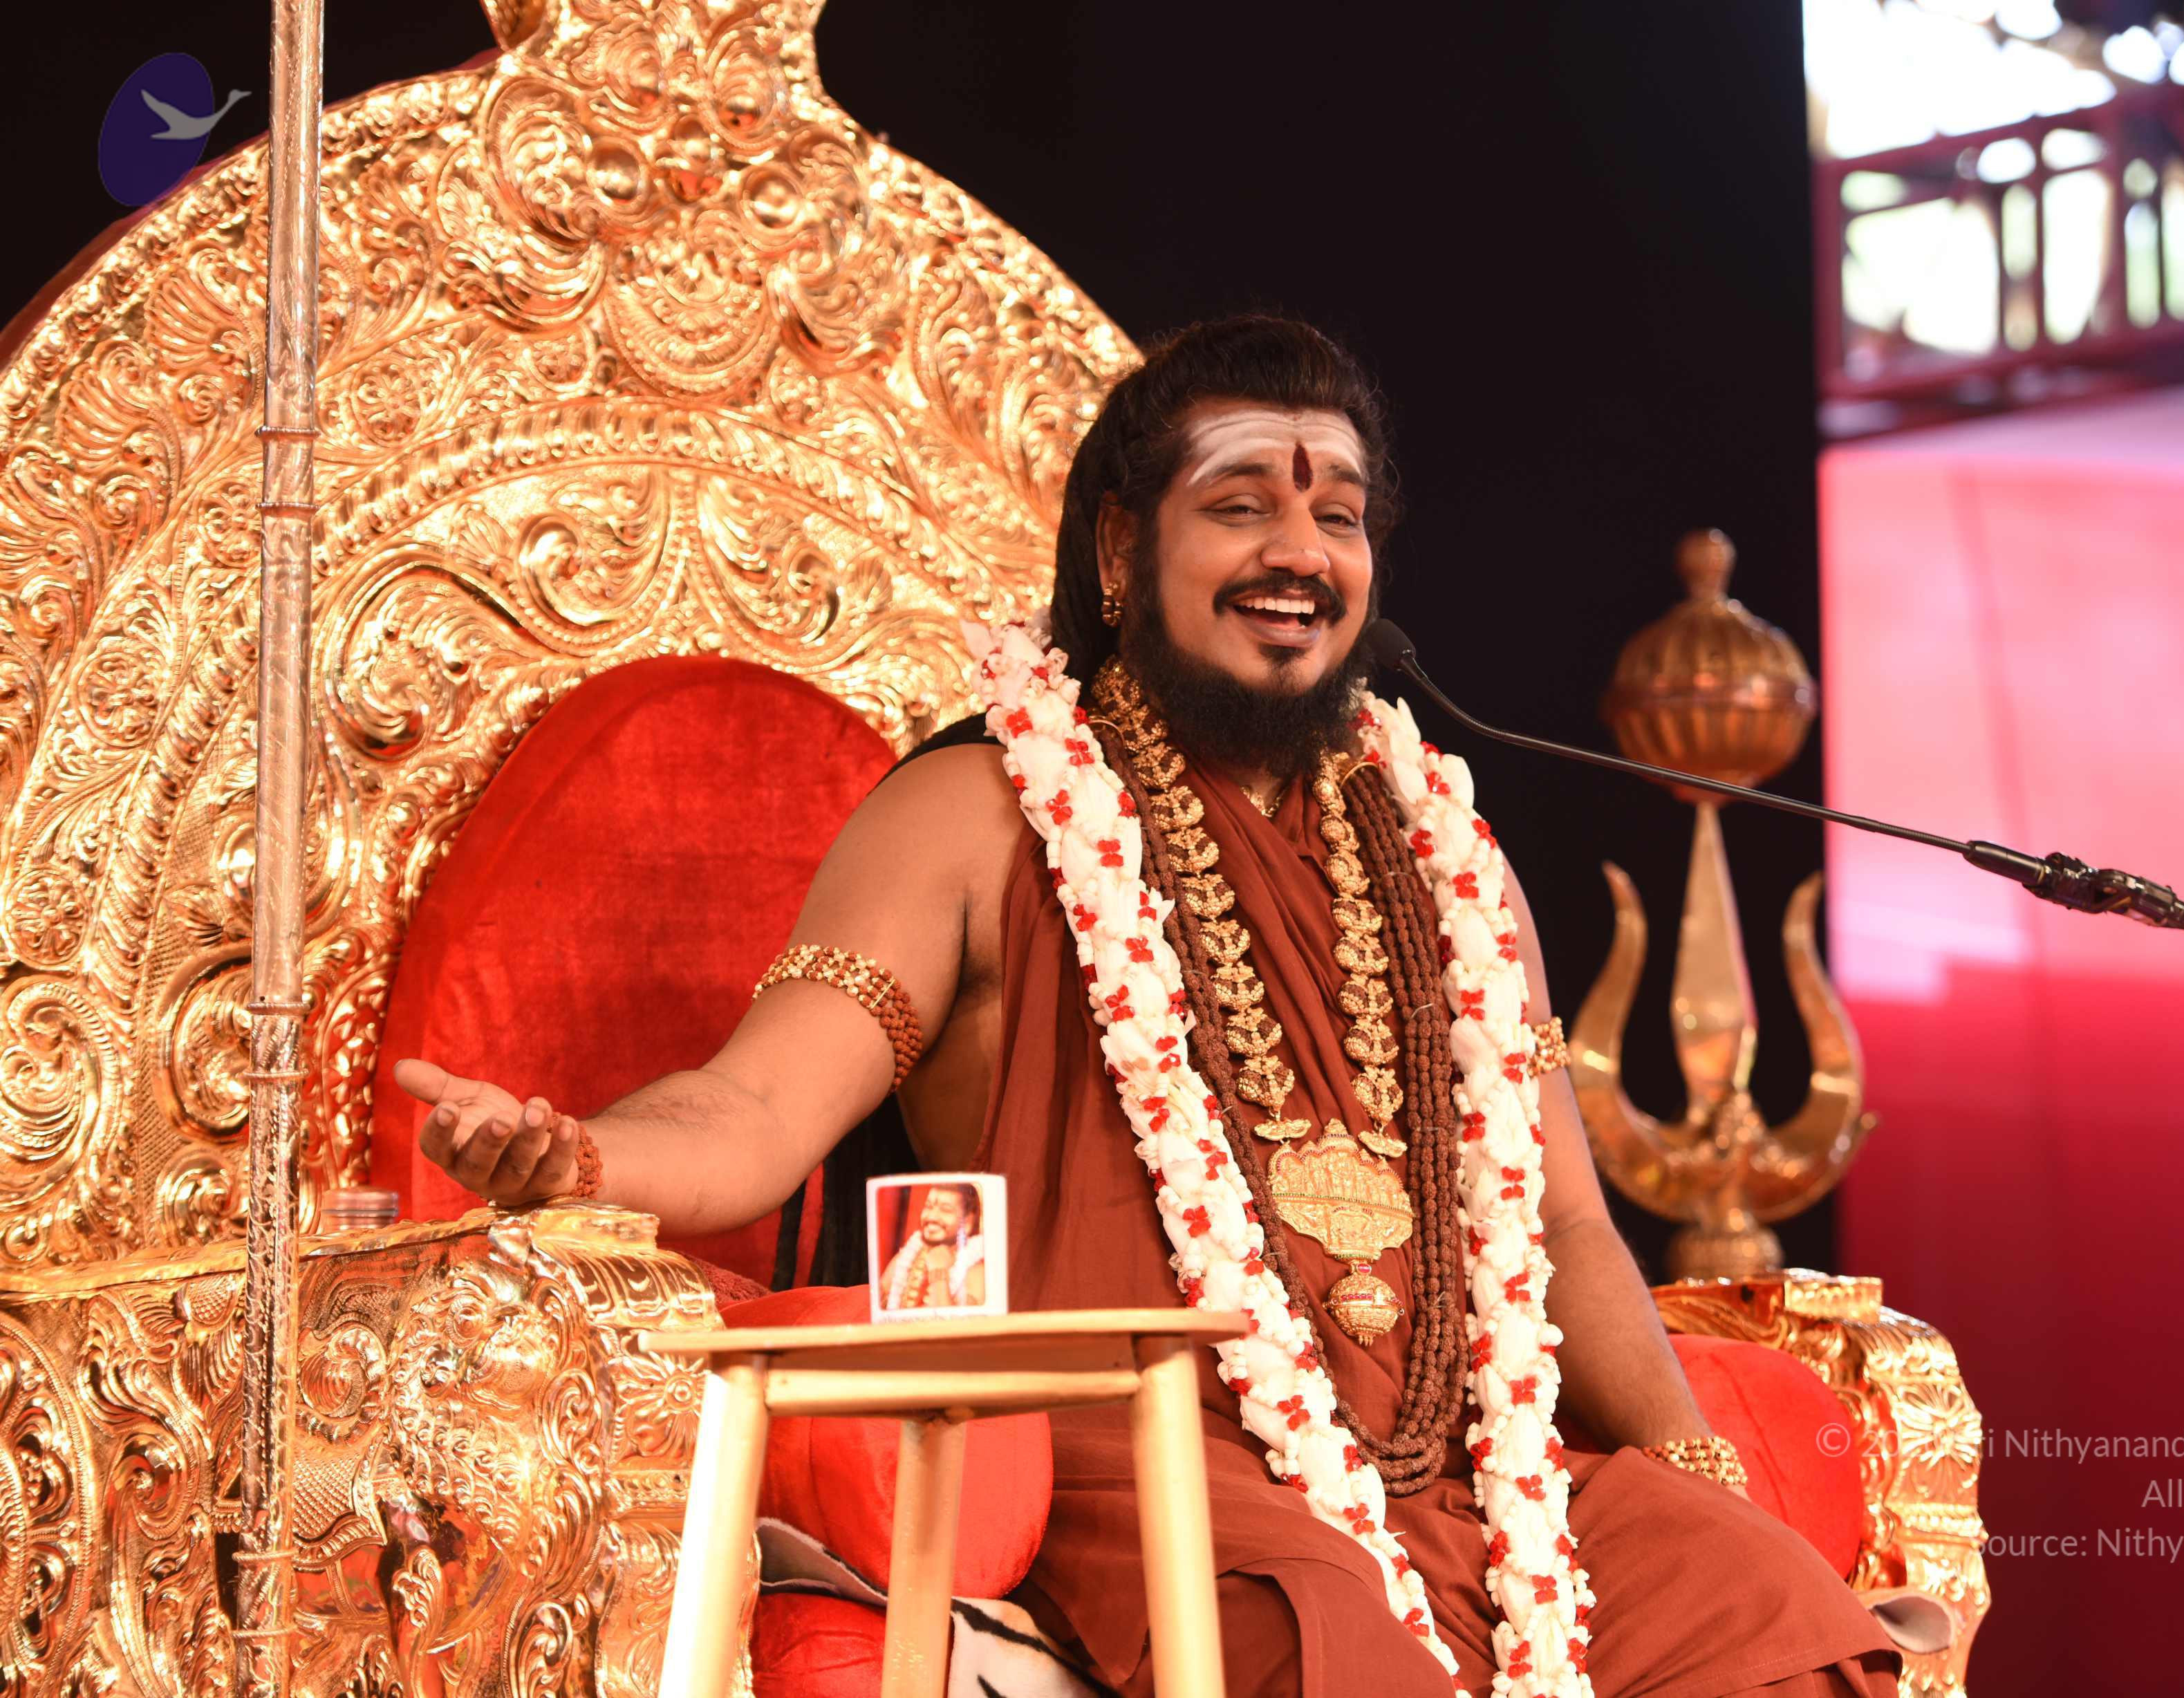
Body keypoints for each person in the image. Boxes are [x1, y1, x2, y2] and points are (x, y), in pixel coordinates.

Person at [393, 315, 1903, 1698]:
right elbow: (756, 1106)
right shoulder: (979, 813)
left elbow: (1564, 1222)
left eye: (1338, 514)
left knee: (1771, 1619)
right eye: (1242, 504)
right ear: (1121, 547)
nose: (1299, 549)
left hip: (1469, 1478)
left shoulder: (1452, 858)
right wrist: (577, 1155)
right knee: (1324, 1640)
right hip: (1156, 1465)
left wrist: (1697, 1467)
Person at [877, 1182, 989, 1311]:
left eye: (946, 1210)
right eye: (928, 1206)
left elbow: (956, 1323)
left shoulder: (976, 1273)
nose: (931, 1216)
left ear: (967, 1222)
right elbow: (877, 1304)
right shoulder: (907, 1257)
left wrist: (939, 1271)